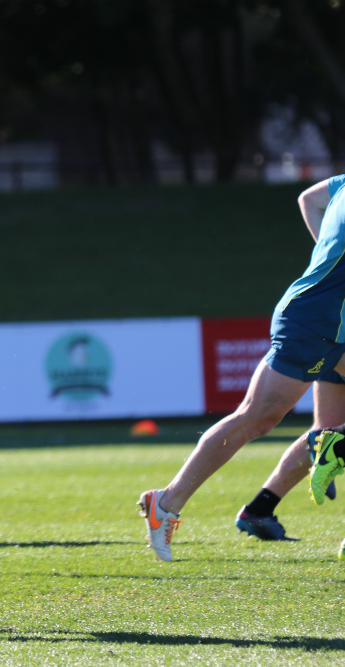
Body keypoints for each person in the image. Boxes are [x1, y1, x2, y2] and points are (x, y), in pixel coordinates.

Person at [139, 175, 345, 562]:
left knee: (296, 424)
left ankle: (330, 446)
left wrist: (327, 255)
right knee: (256, 419)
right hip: (318, 323)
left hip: (329, 319)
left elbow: (309, 197)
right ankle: (166, 502)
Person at [232, 378, 343, 541]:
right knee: (326, 435)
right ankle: (334, 451)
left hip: (331, 354)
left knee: (327, 430)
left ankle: (261, 507)